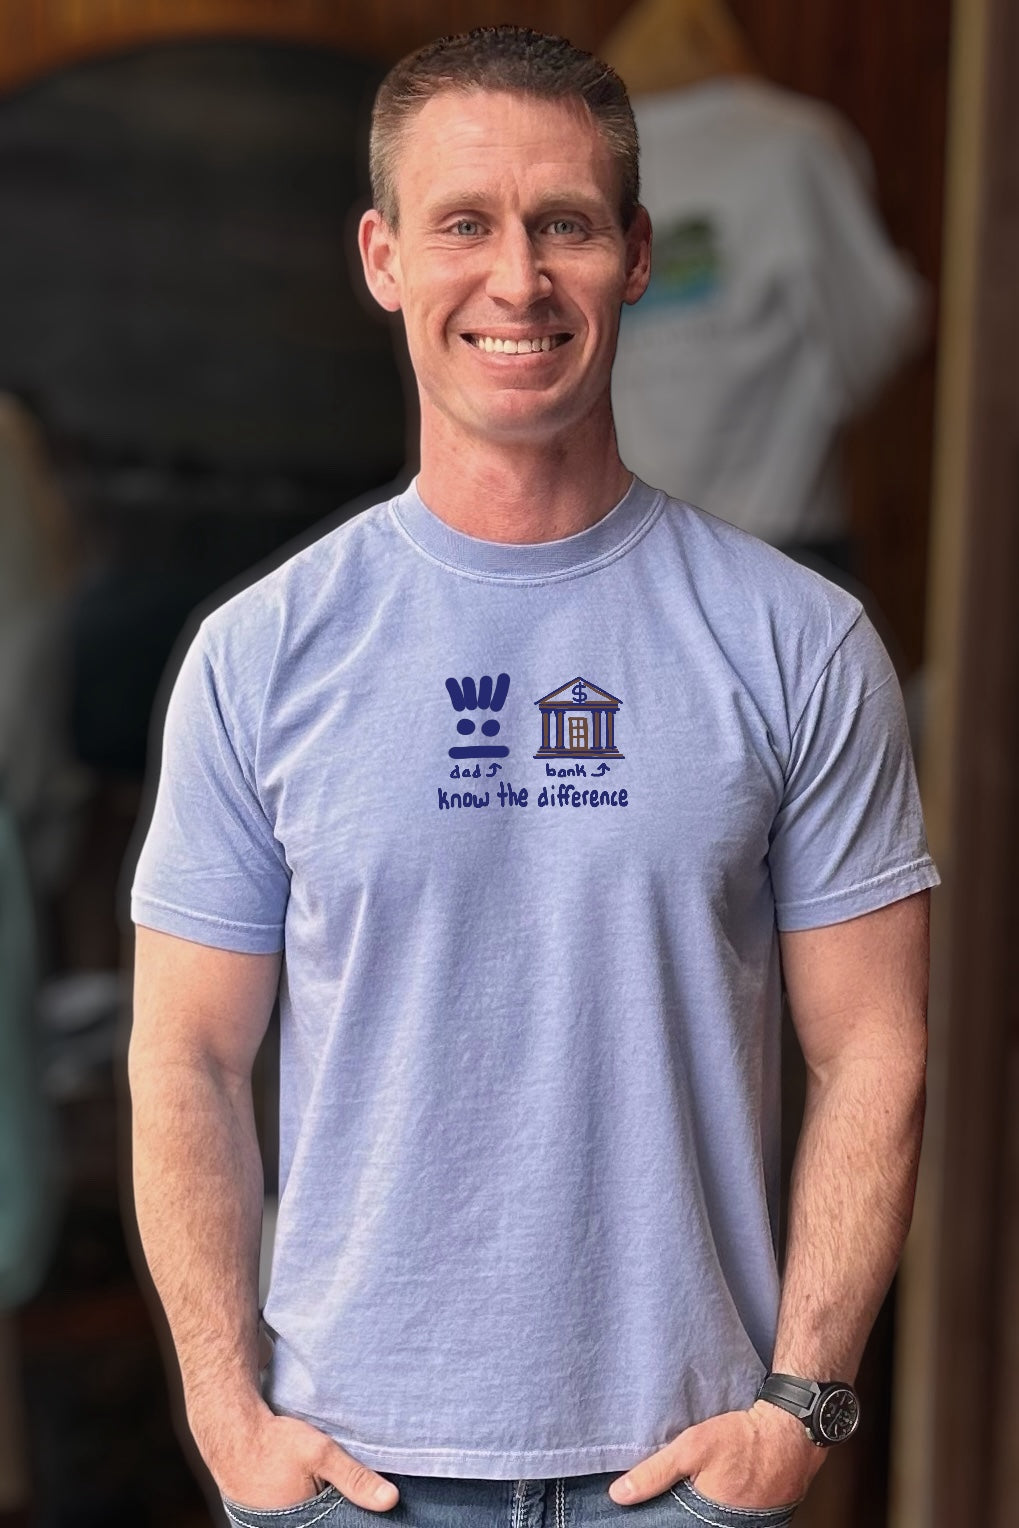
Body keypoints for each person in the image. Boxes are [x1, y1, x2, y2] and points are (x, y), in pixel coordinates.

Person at [128, 25, 938, 1528]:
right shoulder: (263, 655)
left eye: (564, 224)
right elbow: (185, 1056)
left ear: (635, 255)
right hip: (348, 1482)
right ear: (382, 258)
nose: (518, 279)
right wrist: (226, 1412)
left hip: (681, 1476)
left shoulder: (799, 642)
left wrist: (803, 1404)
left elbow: (876, 1046)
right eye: (465, 225)